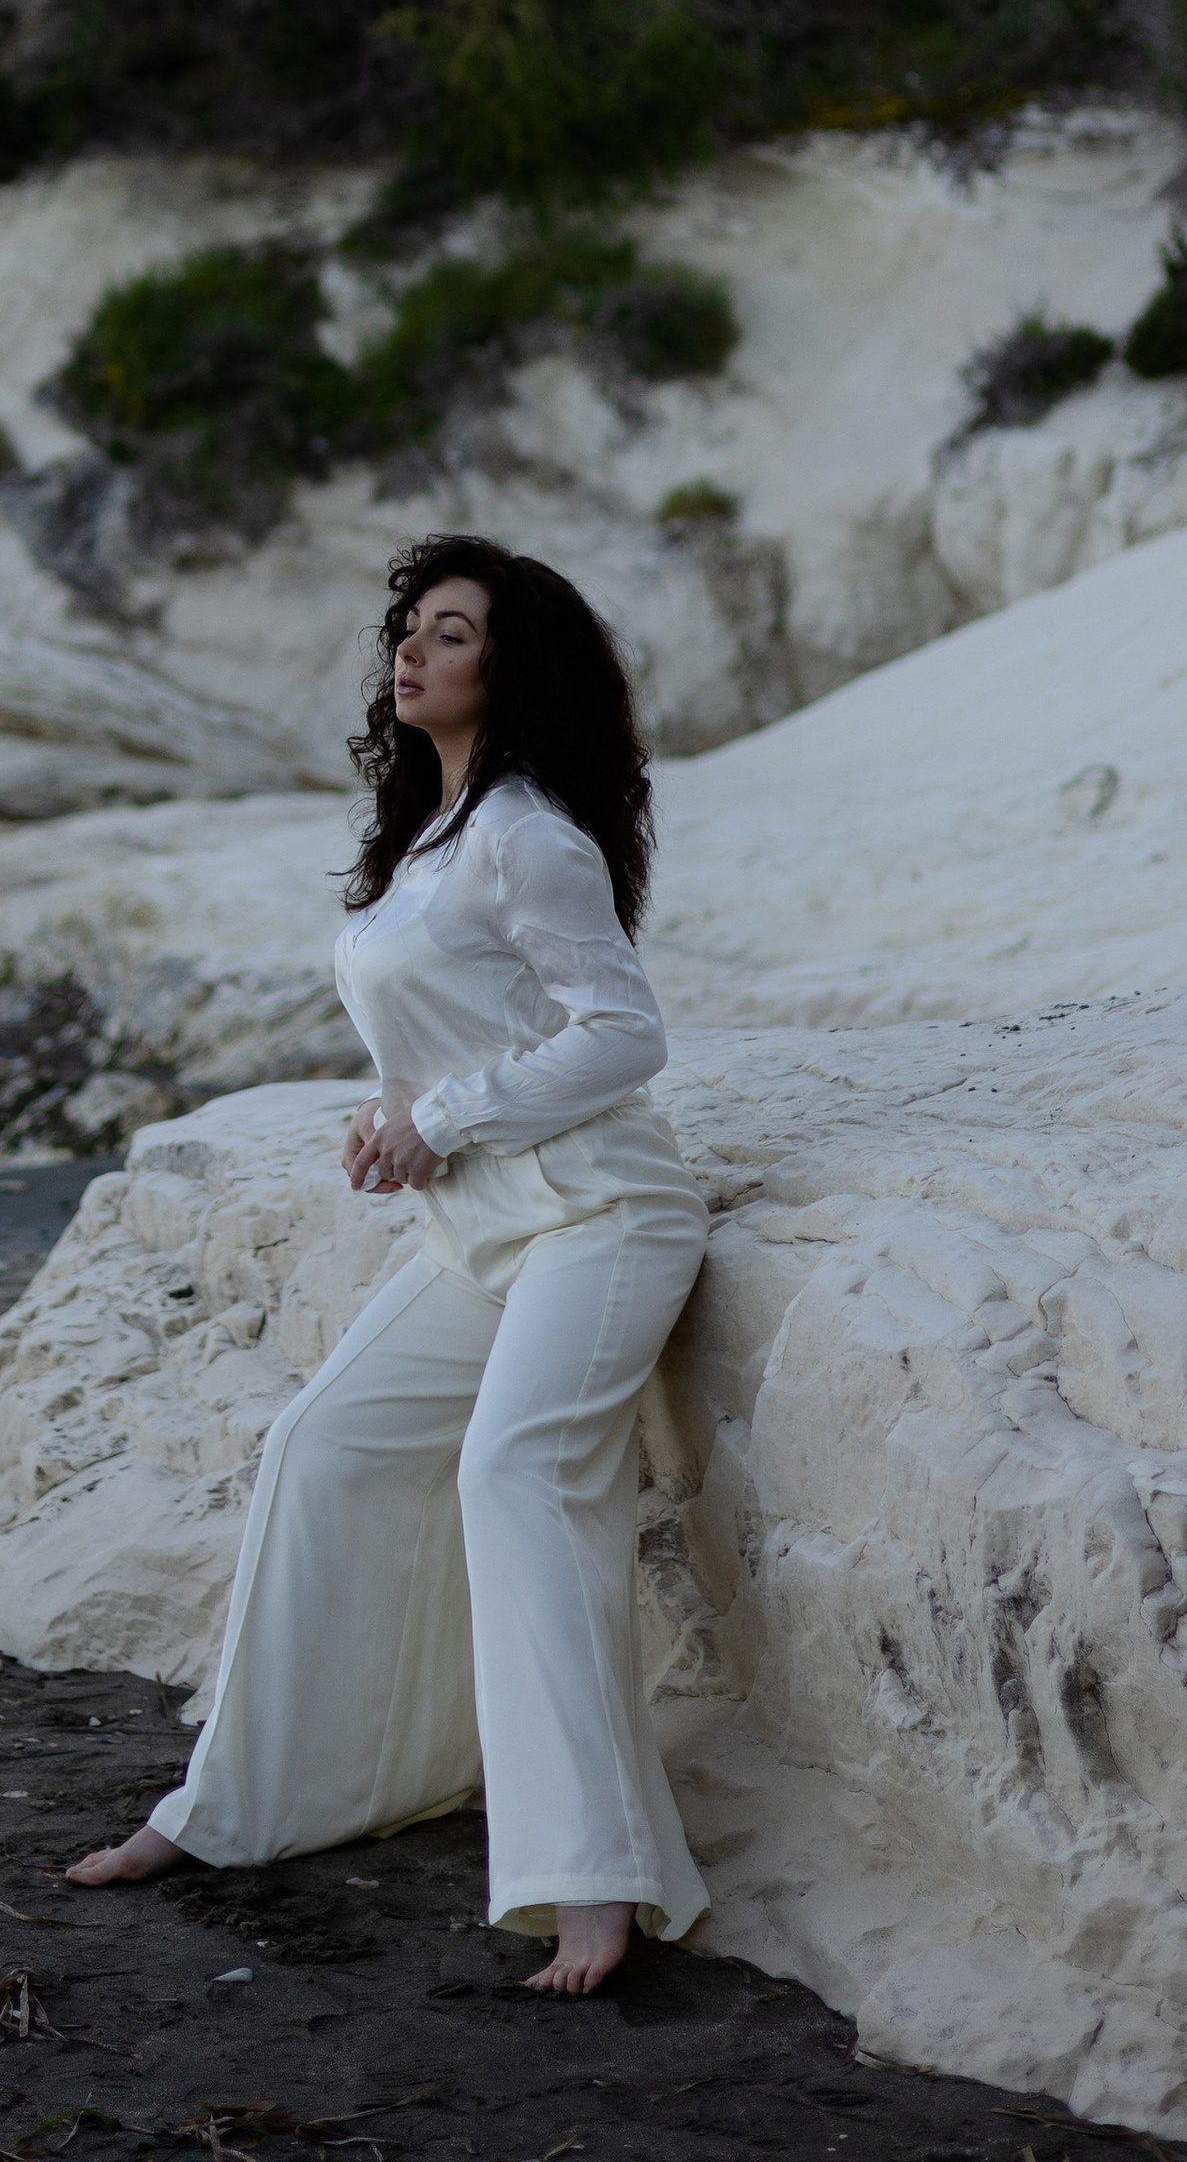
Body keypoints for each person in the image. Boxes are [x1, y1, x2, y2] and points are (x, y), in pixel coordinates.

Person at [67, 530, 711, 1995]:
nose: (411, 651)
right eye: (409, 628)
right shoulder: (427, 829)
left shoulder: (532, 832)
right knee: (320, 1442)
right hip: (482, 1224)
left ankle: (594, 1880)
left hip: (600, 1218)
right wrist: (392, 1115)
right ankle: (234, 1809)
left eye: (452, 632)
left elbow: (624, 1036)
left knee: (514, 1473)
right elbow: (459, 1029)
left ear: (511, 667)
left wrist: (446, 1115)